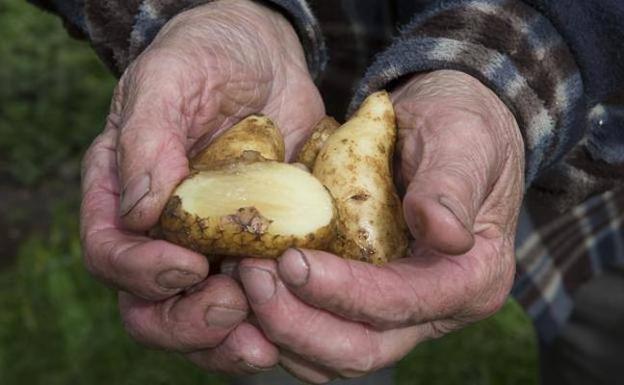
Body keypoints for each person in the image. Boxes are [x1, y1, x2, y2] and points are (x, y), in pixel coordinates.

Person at [29, 0, 624, 384]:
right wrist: (199, 11)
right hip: (247, 106)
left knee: (603, 327)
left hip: (592, 125)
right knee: (284, 333)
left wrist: (539, 43)